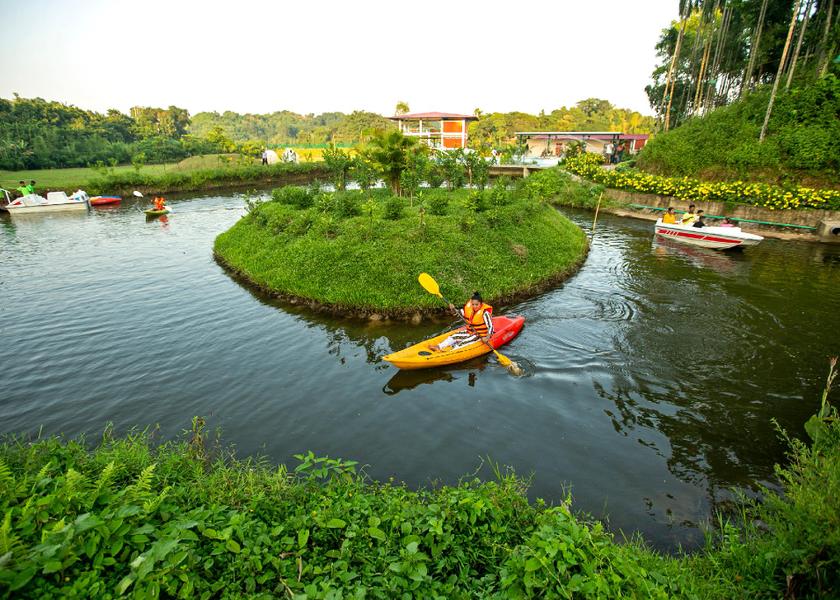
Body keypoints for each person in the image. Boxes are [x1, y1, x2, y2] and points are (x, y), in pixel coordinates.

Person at [429, 292, 494, 352]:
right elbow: (458, 313)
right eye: (473, 304)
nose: (474, 306)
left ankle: (449, 353)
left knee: (462, 344)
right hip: (469, 332)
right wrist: (453, 309)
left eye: (476, 304)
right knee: (453, 337)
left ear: (481, 304)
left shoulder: (485, 313)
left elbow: (490, 327)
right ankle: (438, 346)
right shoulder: (469, 309)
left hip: (479, 335)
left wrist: (487, 338)